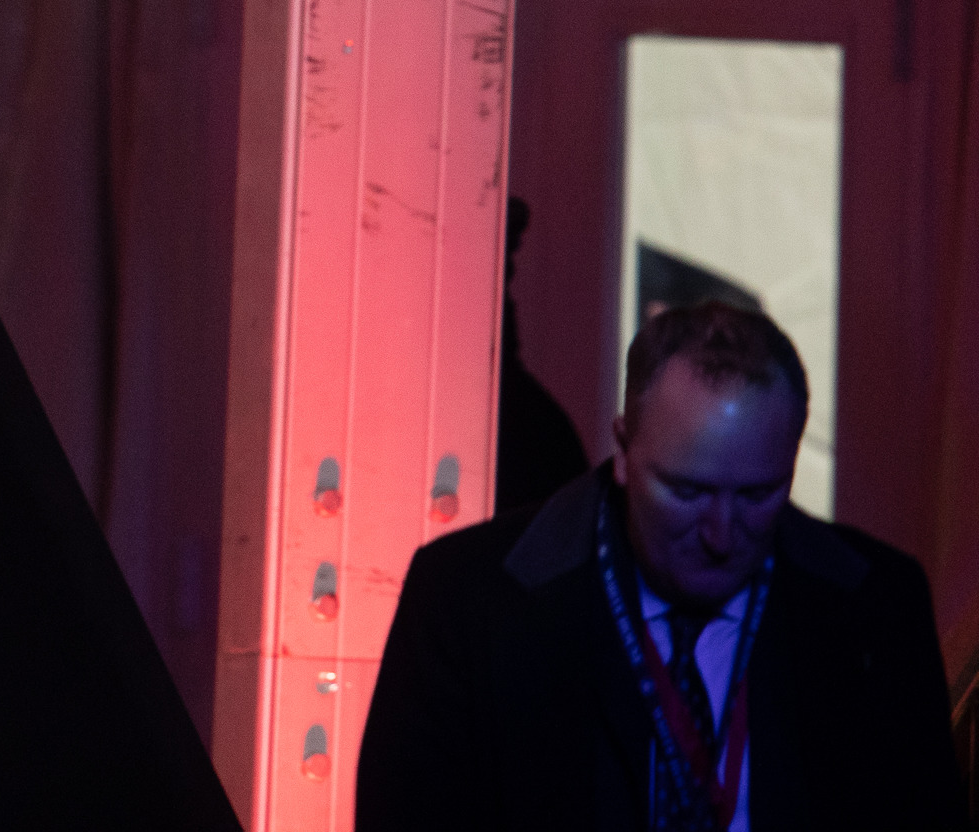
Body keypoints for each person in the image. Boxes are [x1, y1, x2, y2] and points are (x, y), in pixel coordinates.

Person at [357, 300, 964, 830]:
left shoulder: (877, 606)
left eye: (758, 495)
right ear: (622, 451)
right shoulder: (468, 601)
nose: (722, 535)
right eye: (687, 491)